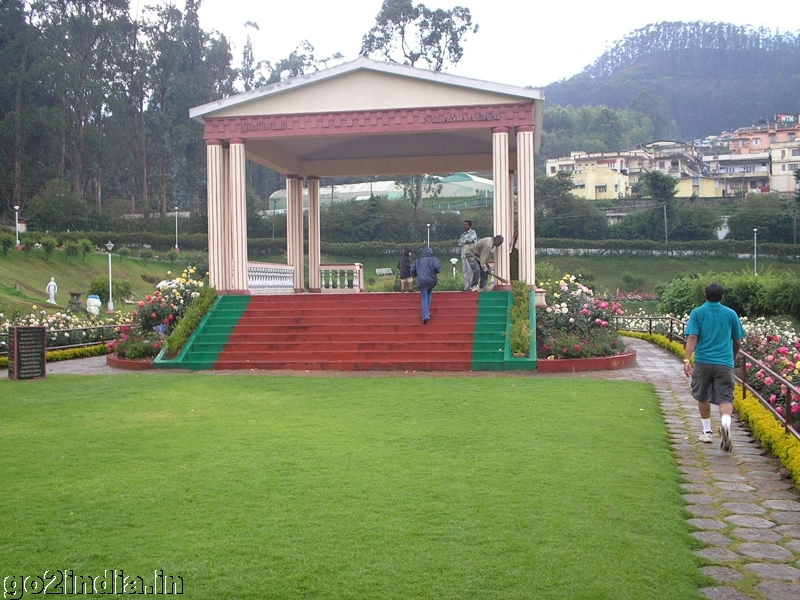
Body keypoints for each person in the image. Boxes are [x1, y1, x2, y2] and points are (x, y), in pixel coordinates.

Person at [683, 282, 746, 452]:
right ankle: (725, 423)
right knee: (725, 397)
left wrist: (687, 359)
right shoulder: (731, 314)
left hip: (703, 361)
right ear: (722, 297)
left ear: (705, 295)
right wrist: (732, 355)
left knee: (702, 395)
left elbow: (692, 337)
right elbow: (738, 340)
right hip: (724, 362)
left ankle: (707, 431)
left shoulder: (697, 313)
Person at [410, 246, 440, 324]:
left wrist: (416, 274)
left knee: (424, 297)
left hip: (422, 281)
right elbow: (438, 268)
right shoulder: (434, 259)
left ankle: (425, 315)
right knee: (429, 295)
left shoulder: (418, 261)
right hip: (431, 280)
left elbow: (412, 270)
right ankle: (427, 313)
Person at [457, 220, 477, 291]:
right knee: (465, 271)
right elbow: (459, 243)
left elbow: (470, 240)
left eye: (466, 225)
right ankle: (467, 286)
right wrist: (464, 241)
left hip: (470, 254)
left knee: (470, 271)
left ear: (470, 225)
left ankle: (472, 286)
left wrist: (464, 241)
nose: (465, 226)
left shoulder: (473, 232)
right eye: (464, 224)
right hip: (463, 254)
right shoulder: (463, 234)